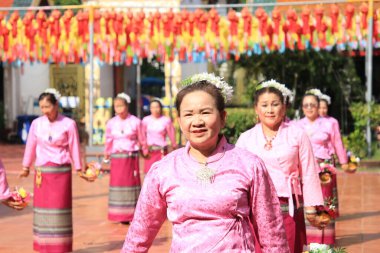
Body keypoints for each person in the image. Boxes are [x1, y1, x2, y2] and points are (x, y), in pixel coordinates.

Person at [122, 73, 290, 252]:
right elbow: (140, 232)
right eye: (188, 114)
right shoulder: (163, 170)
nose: (197, 122)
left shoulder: (249, 165)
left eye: (205, 112)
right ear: (179, 120)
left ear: (223, 117)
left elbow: (271, 232)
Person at [236, 80, 324, 253]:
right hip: (256, 209)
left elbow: (309, 171)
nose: (270, 110)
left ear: (283, 108)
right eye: (264, 105)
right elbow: (237, 175)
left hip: (289, 208)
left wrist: (312, 207)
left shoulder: (297, 134)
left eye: (275, 104)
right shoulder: (246, 138)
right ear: (256, 109)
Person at [19, 88, 91, 253]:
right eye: (42, 107)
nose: (45, 111)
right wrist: (26, 166)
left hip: (61, 173)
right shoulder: (37, 123)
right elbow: (31, 145)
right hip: (42, 173)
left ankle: (61, 246)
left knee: (59, 209)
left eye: (48, 107)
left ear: (56, 105)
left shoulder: (68, 124)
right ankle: (43, 244)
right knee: (43, 209)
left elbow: (74, 147)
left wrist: (79, 168)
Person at [297, 89, 348, 246]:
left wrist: (344, 160)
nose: (309, 108)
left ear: (318, 106)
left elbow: (337, 142)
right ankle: (310, 240)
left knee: (325, 203)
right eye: (306, 105)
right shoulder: (297, 125)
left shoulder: (329, 123)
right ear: (302, 108)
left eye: (313, 104)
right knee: (308, 203)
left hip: (324, 169)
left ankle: (325, 241)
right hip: (305, 169)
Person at [104, 92, 148, 223]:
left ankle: (133, 214)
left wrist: (145, 150)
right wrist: (106, 153)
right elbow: (108, 139)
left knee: (131, 184)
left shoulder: (135, 122)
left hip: (130, 158)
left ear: (127, 106)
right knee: (117, 184)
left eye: (120, 106)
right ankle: (118, 214)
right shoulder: (111, 123)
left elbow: (142, 138)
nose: (118, 109)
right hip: (117, 158)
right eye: (116, 106)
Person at [142, 99, 177, 173]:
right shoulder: (145, 120)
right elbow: (142, 136)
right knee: (150, 173)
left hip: (162, 151)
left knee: (162, 173)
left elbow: (171, 134)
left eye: (157, 107)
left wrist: (174, 146)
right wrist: (144, 149)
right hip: (150, 152)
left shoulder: (166, 120)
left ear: (160, 108)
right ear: (150, 108)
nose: (155, 109)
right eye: (153, 107)